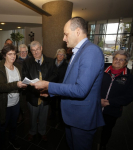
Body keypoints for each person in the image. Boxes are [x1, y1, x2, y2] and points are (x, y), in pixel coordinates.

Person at [31, 17, 105, 150]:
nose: (64, 38)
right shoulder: (79, 52)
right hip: (74, 116)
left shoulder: (91, 51)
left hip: (82, 118)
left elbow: (81, 90)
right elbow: (70, 82)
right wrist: (51, 91)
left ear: (77, 31)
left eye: (66, 34)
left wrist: (49, 85)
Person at [0, 44, 27, 150]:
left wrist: (24, 86)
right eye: (10, 54)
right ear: (4, 55)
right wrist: (17, 84)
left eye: (14, 54)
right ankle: (2, 144)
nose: (13, 56)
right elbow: (1, 87)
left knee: (13, 124)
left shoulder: (18, 67)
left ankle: (12, 140)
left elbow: (21, 83)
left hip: (16, 102)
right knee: (2, 126)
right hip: (4, 103)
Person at [22, 41, 57, 142]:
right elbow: (24, 77)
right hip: (33, 95)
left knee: (43, 116)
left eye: (37, 49)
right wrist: (34, 86)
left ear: (41, 48)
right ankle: (32, 131)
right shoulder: (27, 62)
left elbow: (55, 75)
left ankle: (42, 132)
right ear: (31, 51)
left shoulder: (50, 61)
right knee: (32, 116)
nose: (36, 52)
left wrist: (46, 84)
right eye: (33, 50)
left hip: (46, 94)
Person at [100, 50, 133, 150]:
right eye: (116, 58)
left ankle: (102, 145)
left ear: (126, 63)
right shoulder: (102, 71)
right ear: (112, 59)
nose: (118, 61)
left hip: (112, 109)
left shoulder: (129, 78)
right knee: (91, 126)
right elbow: (93, 87)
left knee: (107, 129)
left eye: (121, 60)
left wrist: (110, 102)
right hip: (96, 105)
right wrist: (98, 100)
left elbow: (129, 96)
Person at [49, 48, 68, 120]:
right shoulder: (51, 63)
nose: (60, 56)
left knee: (60, 102)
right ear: (56, 55)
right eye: (59, 54)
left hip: (61, 85)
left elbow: (66, 76)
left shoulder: (66, 65)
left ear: (64, 56)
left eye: (62, 55)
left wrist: (60, 84)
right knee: (52, 101)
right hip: (52, 85)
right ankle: (53, 114)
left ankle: (61, 116)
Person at [16, 44, 29, 123]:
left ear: (27, 52)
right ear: (19, 52)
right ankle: (21, 115)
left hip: (30, 85)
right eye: (21, 52)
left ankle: (31, 116)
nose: (23, 53)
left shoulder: (32, 60)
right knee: (21, 102)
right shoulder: (15, 62)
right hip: (20, 85)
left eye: (24, 51)